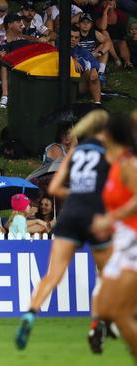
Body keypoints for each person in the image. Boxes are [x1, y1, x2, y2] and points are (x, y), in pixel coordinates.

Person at [15, 110, 113, 353]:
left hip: (70, 216)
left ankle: (29, 315)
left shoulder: (74, 156)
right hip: (93, 217)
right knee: (105, 274)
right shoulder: (110, 158)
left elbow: (56, 187)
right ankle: (97, 322)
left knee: (53, 274)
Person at [90, 112, 137, 360]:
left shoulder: (129, 165)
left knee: (120, 310)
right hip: (122, 241)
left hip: (134, 242)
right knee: (110, 309)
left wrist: (111, 217)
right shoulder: (115, 164)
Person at [71, 27, 103, 104]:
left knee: (91, 72)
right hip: (63, 84)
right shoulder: (58, 48)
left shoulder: (81, 50)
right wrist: (71, 60)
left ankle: (97, 104)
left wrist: (94, 69)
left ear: (79, 39)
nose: (73, 39)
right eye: (71, 37)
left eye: (76, 37)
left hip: (78, 86)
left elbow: (93, 60)